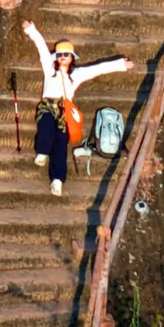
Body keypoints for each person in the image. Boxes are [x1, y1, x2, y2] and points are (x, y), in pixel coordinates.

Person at [22, 19, 133, 197]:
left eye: (66, 54)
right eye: (60, 54)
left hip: (65, 111)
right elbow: (41, 47)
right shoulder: (50, 69)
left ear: (72, 57)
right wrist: (31, 30)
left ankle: (57, 180)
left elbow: (98, 69)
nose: (62, 57)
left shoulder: (76, 74)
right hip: (48, 106)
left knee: (60, 144)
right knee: (46, 127)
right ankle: (42, 152)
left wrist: (120, 65)